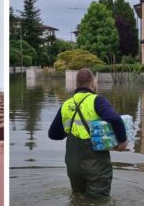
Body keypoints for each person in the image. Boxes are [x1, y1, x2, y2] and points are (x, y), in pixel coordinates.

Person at [47, 68, 128, 198]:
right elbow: (115, 119)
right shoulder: (98, 100)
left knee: (77, 198)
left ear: (76, 84)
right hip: (95, 165)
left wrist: (70, 131)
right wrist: (122, 141)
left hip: (73, 164)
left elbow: (53, 134)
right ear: (93, 83)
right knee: (98, 204)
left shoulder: (66, 105)